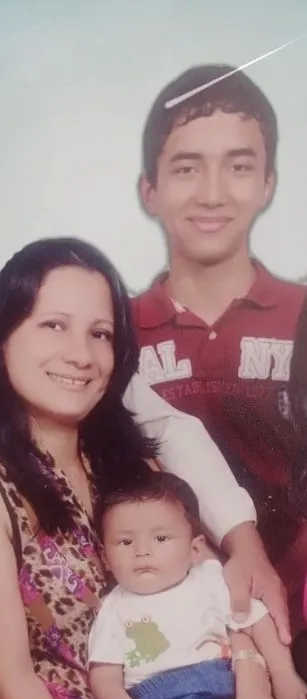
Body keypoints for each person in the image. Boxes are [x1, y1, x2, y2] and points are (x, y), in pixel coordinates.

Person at [0, 40, 288, 699]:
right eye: (51, 327)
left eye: (100, 335)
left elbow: (172, 449)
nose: (79, 353)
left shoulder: (118, 450)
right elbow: (12, 679)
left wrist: (250, 658)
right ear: (3, 340)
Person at [130, 64, 307, 634]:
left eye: (238, 166)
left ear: (269, 183)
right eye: (187, 168)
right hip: (170, 636)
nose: (212, 193)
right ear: (149, 190)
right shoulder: (109, 334)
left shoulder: (300, 314)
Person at [89, 472, 306, 699]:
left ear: (194, 547)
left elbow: (257, 622)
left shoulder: (209, 578)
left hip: (224, 696)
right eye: (124, 542)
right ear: (106, 558)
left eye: (160, 538)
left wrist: (283, 674)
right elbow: (103, 676)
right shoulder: (114, 608)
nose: (142, 551)